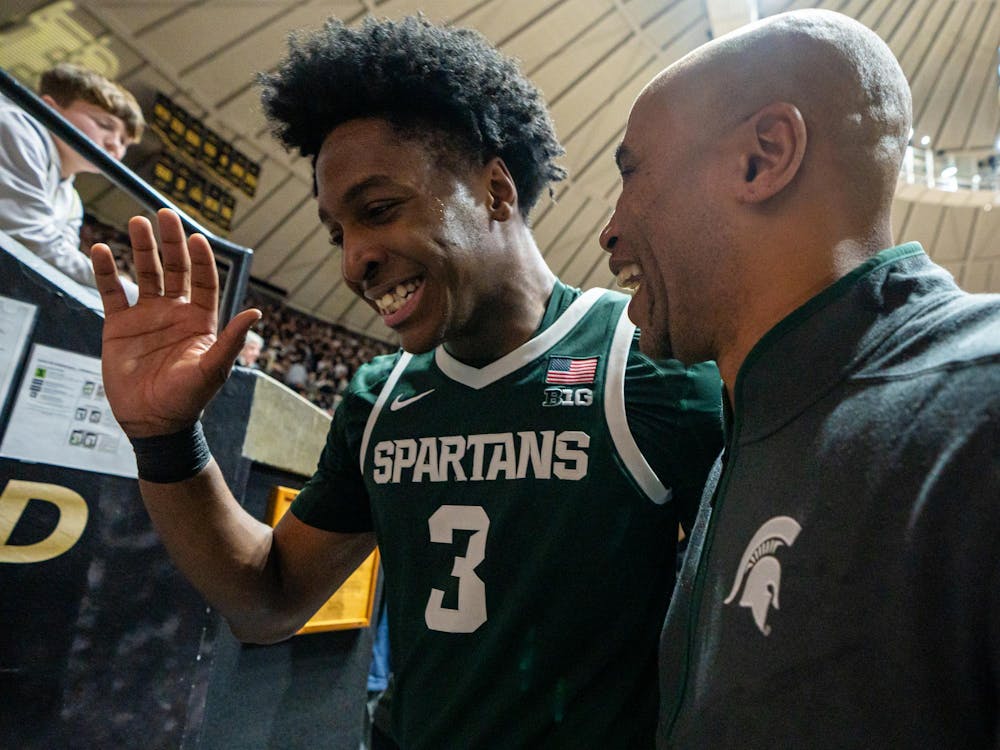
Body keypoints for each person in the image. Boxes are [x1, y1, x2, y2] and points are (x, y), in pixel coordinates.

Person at [89, 17, 723, 750]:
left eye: (379, 210)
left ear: (494, 190)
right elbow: (267, 603)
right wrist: (166, 441)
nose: (353, 260)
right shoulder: (380, 398)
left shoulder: (646, 363)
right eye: (337, 233)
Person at [599, 9, 999, 748]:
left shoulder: (981, 400)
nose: (610, 229)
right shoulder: (756, 426)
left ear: (763, 157)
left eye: (632, 173)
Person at [0, 63, 144, 300]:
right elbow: (33, 242)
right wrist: (137, 295)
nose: (115, 146)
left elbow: (54, 262)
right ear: (49, 108)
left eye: (124, 143)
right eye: (105, 125)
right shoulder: (16, 126)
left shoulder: (71, 199)